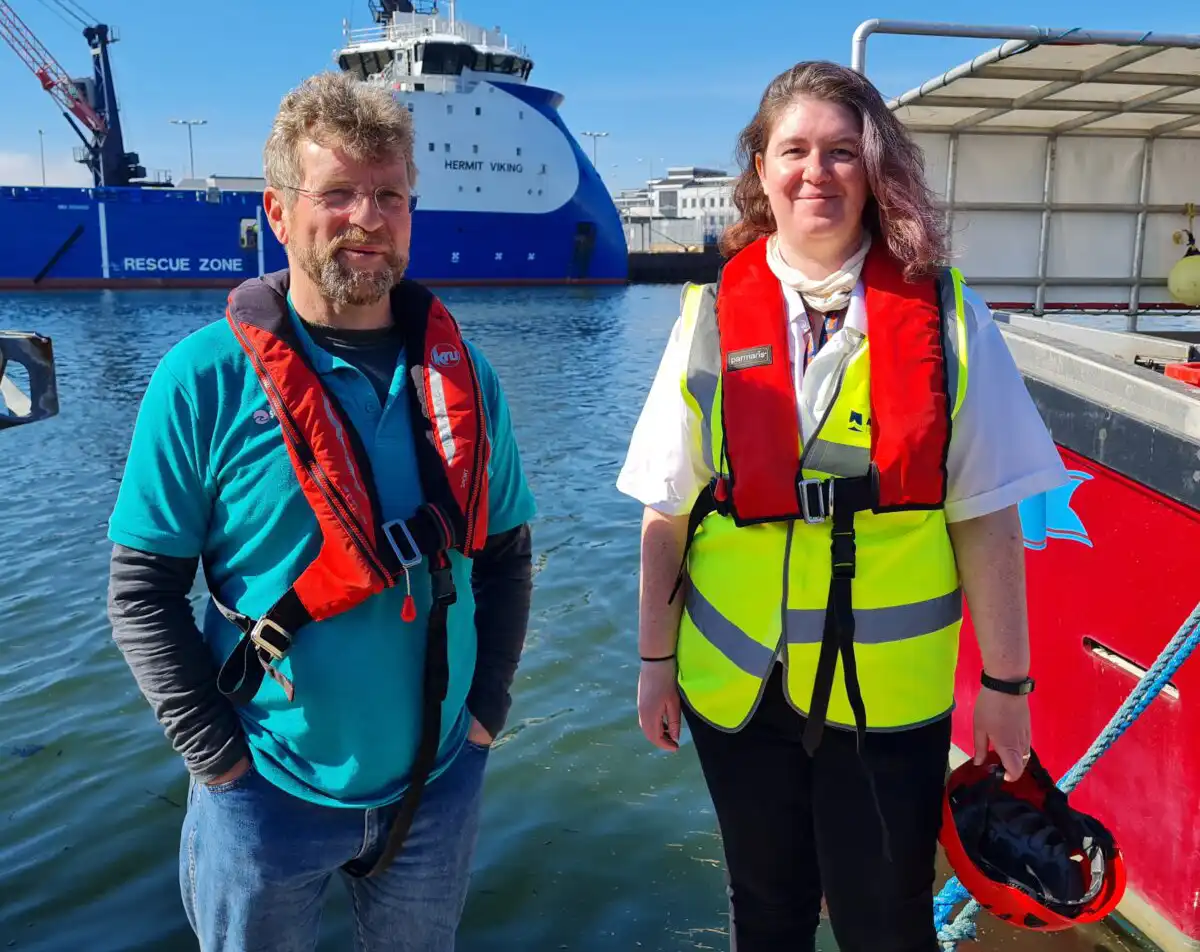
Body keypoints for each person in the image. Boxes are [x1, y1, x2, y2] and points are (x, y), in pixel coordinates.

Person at [616, 60, 1067, 952]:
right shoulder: (709, 315)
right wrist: (654, 662)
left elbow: (985, 514)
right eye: (793, 151)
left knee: (887, 921)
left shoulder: (944, 318)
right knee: (767, 910)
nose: (815, 172)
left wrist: (1008, 688)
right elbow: (665, 510)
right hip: (737, 688)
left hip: (888, 700)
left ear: (875, 170)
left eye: (840, 152)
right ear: (761, 171)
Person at [107, 70, 536, 952]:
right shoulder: (202, 378)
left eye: (389, 195)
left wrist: (487, 707)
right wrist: (216, 760)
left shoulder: (466, 377)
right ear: (276, 210)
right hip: (262, 795)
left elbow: (506, 555)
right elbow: (142, 592)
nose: (367, 219)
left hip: (438, 784)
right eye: (336, 193)